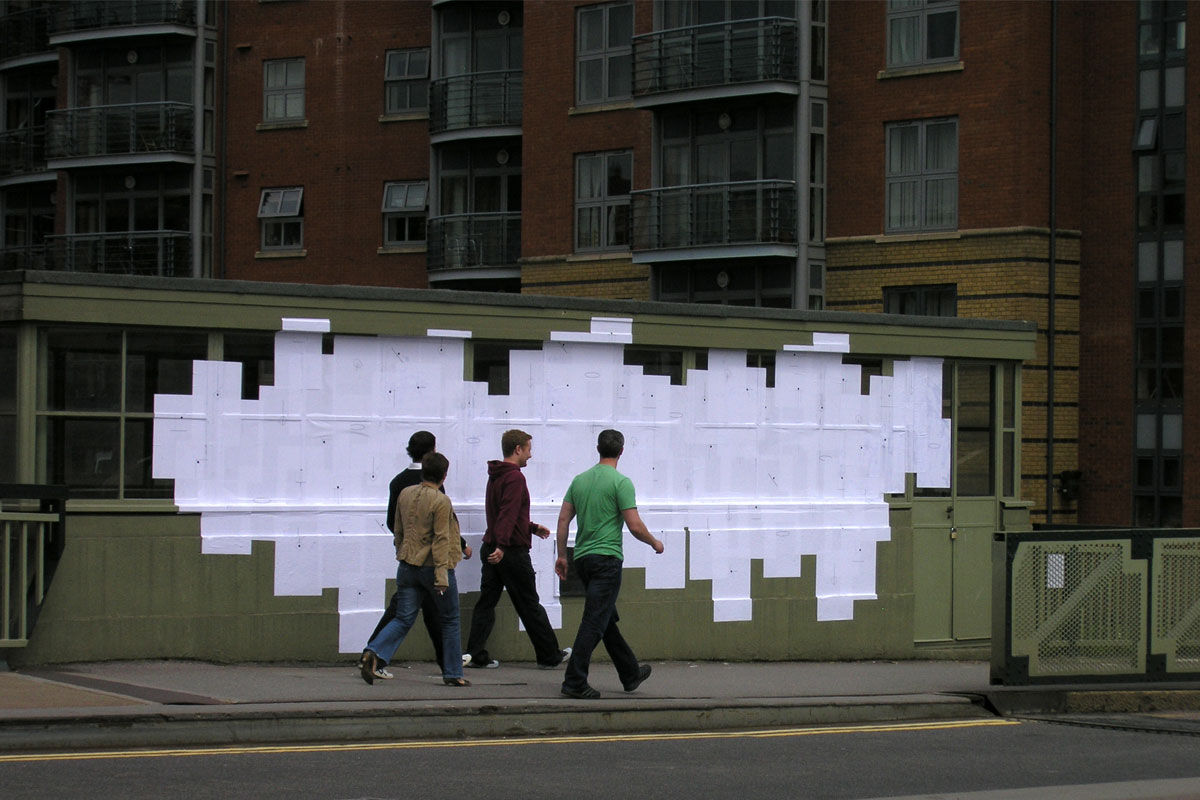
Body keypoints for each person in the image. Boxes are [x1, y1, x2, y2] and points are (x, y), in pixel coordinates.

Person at [554, 429, 664, 699]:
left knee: (605, 619)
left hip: (583, 561)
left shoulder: (579, 481)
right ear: (622, 451)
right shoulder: (621, 482)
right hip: (607, 561)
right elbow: (635, 525)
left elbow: (563, 521)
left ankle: (630, 673)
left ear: (598, 449)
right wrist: (654, 543)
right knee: (594, 621)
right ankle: (574, 681)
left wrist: (562, 555)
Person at [359, 431, 471, 680]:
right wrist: (442, 572)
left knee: (402, 617)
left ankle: (373, 650)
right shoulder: (440, 499)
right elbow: (442, 536)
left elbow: (396, 525)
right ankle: (453, 672)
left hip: (408, 564)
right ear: (443, 475)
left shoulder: (402, 489)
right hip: (433, 566)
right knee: (449, 620)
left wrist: (403, 550)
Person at [463, 429, 570, 670]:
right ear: (518, 449)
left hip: (492, 545)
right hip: (509, 551)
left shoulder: (496, 475)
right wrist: (503, 545)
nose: (530, 456)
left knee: (486, 603)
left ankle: (474, 653)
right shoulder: (515, 477)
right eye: (529, 450)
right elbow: (509, 512)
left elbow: (503, 512)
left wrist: (531, 528)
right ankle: (549, 654)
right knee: (529, 603)